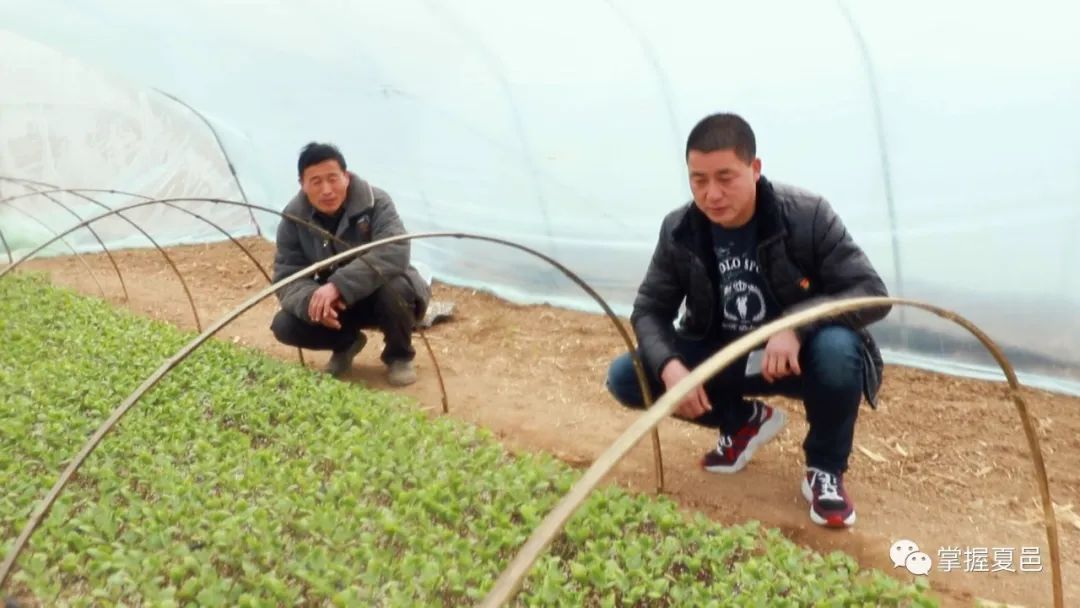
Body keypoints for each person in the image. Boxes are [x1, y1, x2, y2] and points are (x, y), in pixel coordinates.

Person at [605, 113, 891, 528]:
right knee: (628, 376)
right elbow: (650, 308)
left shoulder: (806, 215)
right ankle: (742, 421)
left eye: (726, 178)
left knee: (839, 349)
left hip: (798, 359)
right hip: (727, 354)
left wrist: (794, 326)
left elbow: (871, 293)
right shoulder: (680, 229)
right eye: (698, 180)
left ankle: (825, 469)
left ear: (755, 168)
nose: (712, 194)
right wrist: (670, 367)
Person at [270, 142, 430, 386]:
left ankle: (399, 355)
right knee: (284, 325)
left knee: (395, 288)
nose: (327, 190)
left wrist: (338, 286)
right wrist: (313, 301)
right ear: (302, 184)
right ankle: (346, 343)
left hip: (381, 296)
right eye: (316, 182)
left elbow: (394, 250)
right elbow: (287, 276)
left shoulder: (376, 202)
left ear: (346, 176)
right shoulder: (294, 219)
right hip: (340, 306)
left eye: (332, 178)